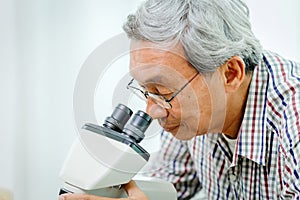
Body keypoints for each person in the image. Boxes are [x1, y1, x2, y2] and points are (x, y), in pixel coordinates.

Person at [59, 0, 300, 199]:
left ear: (230, 74)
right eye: (146, 91)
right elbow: (171, 186)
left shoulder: (294, 125)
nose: (153, 111)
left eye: (163, 93)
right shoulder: (191, 116)